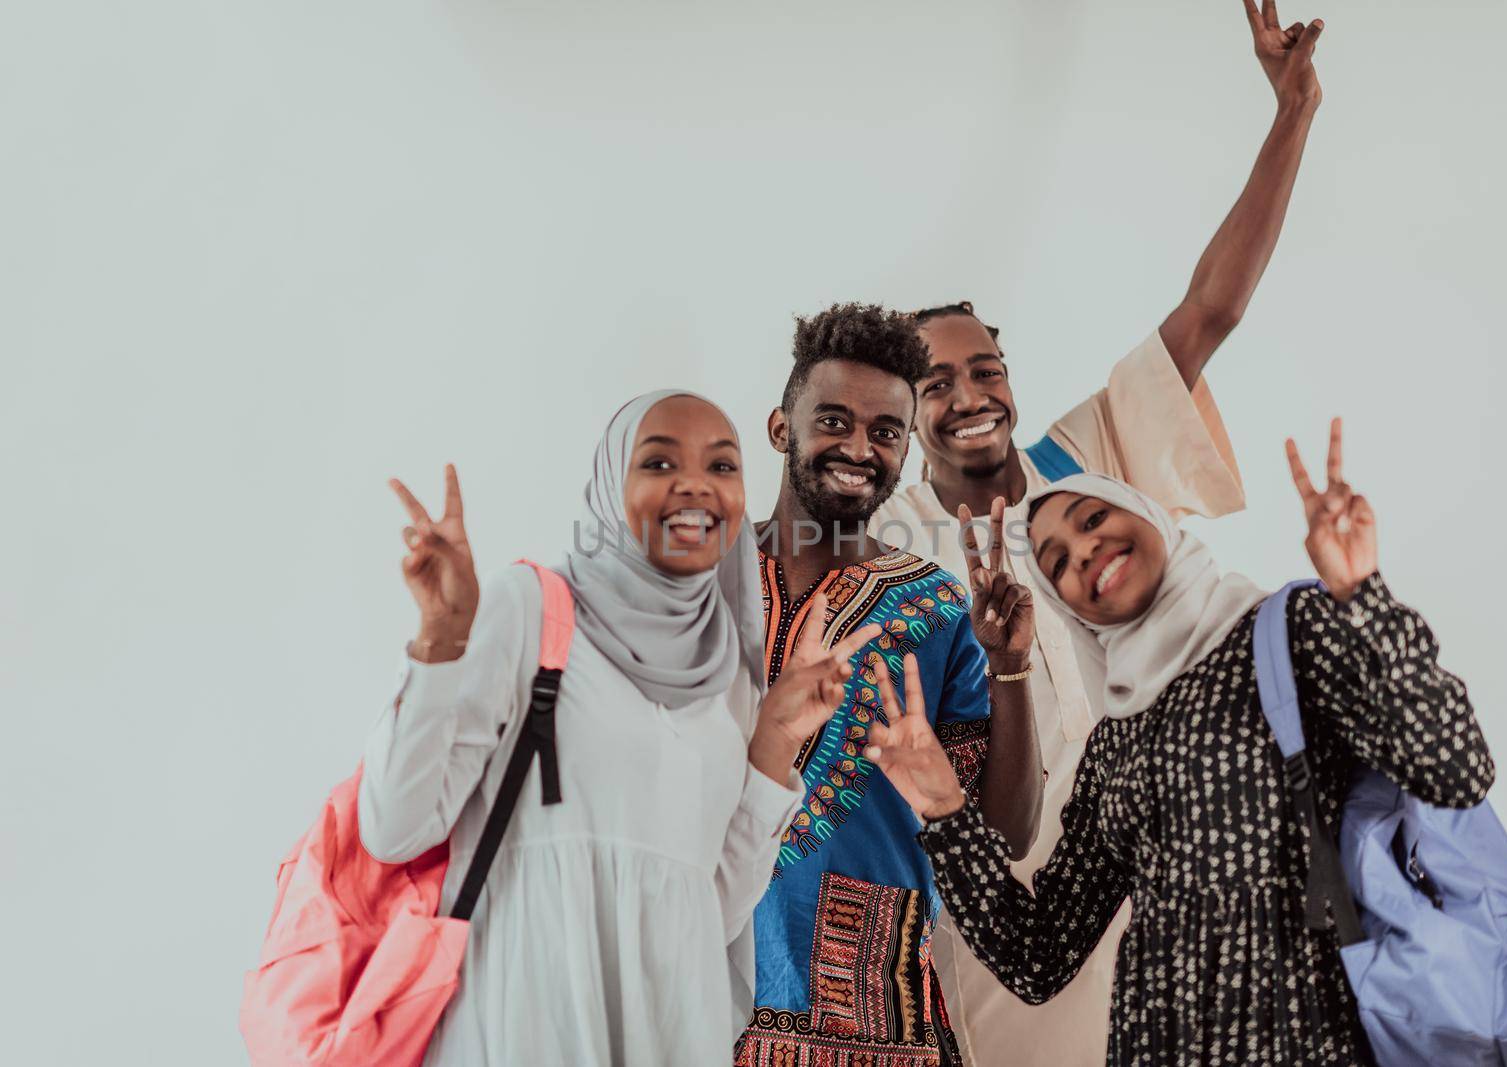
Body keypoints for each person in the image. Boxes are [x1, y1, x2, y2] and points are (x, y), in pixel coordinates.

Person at [870, 6, 1328, 1061]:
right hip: (1009, 919)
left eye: (985, 367)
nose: (970, 395)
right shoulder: (888, 547)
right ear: (905, 409)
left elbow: (1209, 309)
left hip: (1171, 867)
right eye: (934, 383)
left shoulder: (1087, 463)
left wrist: (1292, 109)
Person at [865, 420, 1496, 1065]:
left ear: (1149, 517)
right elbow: (1038, 955)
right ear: (1071, 610)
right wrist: (943, 806)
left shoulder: (1287, 634)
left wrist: (1362, 594)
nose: (1081, 551)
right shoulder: (1115, 744)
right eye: (1055, 563)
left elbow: (1454, 768)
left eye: (1090, 519)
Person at [358, 391, 886, 1066]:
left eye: (722, 467)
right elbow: (394, 826)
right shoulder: (529, 612)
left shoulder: (729, 673)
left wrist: (776, 738)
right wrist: (440, 641)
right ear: (611, 485)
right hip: (529, 1023)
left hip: (669, 1032)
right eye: (659, 460)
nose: (695, 483)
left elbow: (704, 908)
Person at [734, 304, 1041, 1067]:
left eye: (885, 432)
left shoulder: (940, 612)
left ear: (906, 449)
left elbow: (1002, 838)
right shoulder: (697, 589)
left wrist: (1009, 668)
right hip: (692, 999)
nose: (858, 448)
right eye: (833, 420)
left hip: (876, 1024)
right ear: (781, 427)